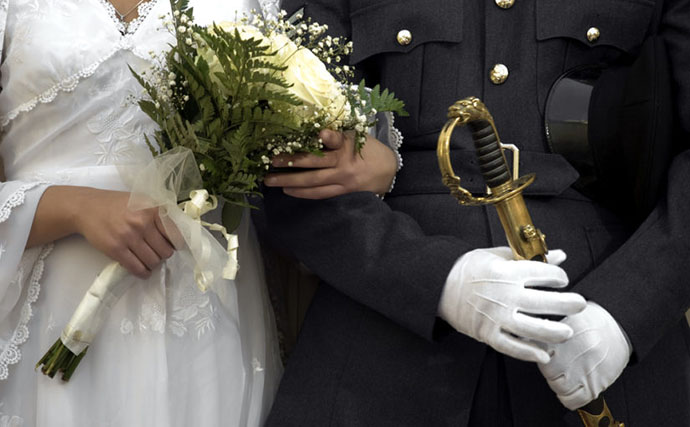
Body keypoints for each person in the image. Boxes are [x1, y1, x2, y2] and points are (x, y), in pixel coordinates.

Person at [256, 0, 690, 425]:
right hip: (383, 337)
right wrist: (440, 280)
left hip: (598, 331)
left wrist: (624, 314)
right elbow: (284, 156)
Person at [0, 0, 399, 426]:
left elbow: (318, 130)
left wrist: (377, 162)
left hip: (203, 315)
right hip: (46, 303)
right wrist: (70, 206)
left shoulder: (256, 5)